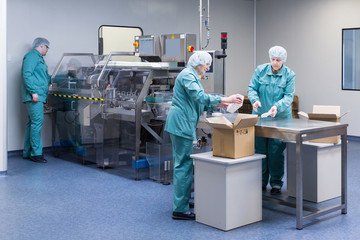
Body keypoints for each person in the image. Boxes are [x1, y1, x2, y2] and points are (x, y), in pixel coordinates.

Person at [165, 51, 244, 220]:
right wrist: (226, 99)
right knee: (183, 165)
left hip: (184, 123)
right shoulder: (187, 75)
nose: (208, 68)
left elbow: (197, 100)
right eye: (207, 64)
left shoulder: (192, 75)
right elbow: (199, 96)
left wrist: (224, 102)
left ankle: (183, 201)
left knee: (185, 163)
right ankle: (180, 209)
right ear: (198, 63)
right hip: (181, 124)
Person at [247, 46, 295, 195]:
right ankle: (260, 181)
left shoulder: (289, 75)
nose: (275, 63)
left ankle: (276, 183)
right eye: (273, 59)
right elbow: (251, 88)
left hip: (279, 117)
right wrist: (254, 100)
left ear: (283, 61)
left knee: (276, 151)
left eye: (278, 60)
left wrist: (277, 107)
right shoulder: (260, 70)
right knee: (260, 150)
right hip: (261, 116)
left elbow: (288, 96)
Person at [21, 37, 51, 163]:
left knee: (31, 124)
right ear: (42, 46)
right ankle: (36, 154)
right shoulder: (32, 57)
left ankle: (28, 152)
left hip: (39, 95)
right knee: (37, 123)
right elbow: (26, 74)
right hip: (35, 96)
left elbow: (42, 76)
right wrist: (33, 92)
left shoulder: (39, 59)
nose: (47, 50)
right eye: (47, 47)